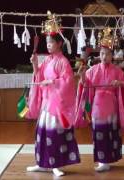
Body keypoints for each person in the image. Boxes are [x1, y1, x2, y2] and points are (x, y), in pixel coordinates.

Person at [25, 11, 80, 177]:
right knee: (42, 133)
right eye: (47, 42)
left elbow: (68, 82)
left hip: (57, 104)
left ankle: (55, 164)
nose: (48, 45)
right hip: (47, 102)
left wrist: (54, 82)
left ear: (59, 44)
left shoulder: (63, 62)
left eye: (51, 42)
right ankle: (42, 163)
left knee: (54, 134)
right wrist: (35, 64)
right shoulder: (48, 60)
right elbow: (39, 77)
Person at [75, 27, 124, 172]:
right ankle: (102, 160)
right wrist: (81, 76)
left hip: (111, 107)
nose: (104, 56)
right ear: (99, 55)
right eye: (101, 53)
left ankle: (108, 159)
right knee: (98, 133)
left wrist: (120, 83)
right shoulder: (93, 70)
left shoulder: (117, 71)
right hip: (97, 107)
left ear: (112, 55)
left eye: (107, 54)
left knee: (110, 133)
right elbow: (85, 85)